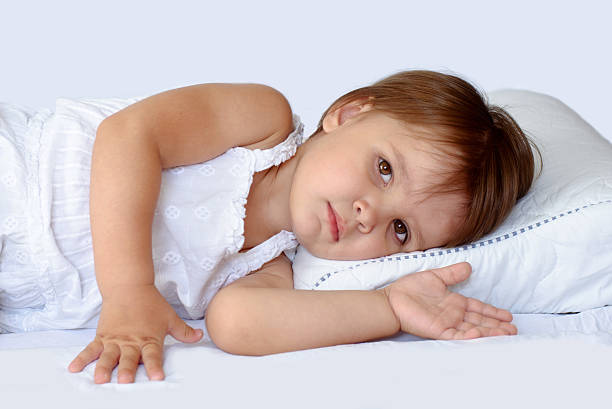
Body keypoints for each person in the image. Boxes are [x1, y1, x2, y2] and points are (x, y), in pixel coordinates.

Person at [0, 70, 536, 384]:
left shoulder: (272, 266)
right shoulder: (262, 125)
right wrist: (129, 288)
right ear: (348, 115)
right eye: (384, 169)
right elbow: (129, 134)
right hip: (19, 176)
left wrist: (389, 307)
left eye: (400, 231)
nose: (367, 214)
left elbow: (237, 324)